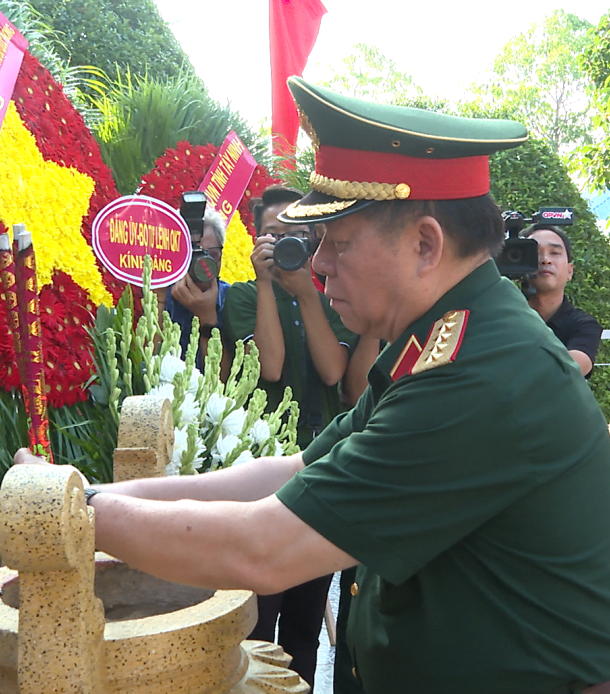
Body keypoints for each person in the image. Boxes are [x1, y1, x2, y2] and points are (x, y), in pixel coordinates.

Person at [16, 78, 610, 694]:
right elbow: (296, 469)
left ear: (425, 244)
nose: (316, 267)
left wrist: (73, 511)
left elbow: (263, 550)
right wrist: (93, 492)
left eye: (338, 244)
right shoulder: (444, 340)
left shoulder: (484, 373)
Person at [221, 185, 359, 688]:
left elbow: (331, 373)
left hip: (317, 465)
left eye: (296, 235)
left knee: (303, 625)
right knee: (259, 619)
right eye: (274, 235)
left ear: (314, 237)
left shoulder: (330, 300)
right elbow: (271, 366)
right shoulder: (239, 295)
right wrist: (264, 283)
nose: (285, 247)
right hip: (265, 466)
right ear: (257, 238)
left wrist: (305, 292)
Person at [523, 224, 602, 377]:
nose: (545, 260)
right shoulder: (502, 317)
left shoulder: (583, 325)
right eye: (535, 253)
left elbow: (571, 369)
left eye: (554, 253)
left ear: (569, 271)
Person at [159, 205, 231, 371]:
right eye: (191, 254)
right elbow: (145, 366)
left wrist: (207, 318)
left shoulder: (231, 298)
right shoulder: (162, 294)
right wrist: (159, 299)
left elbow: (220, 381)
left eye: (210, 254)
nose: (201, 263)